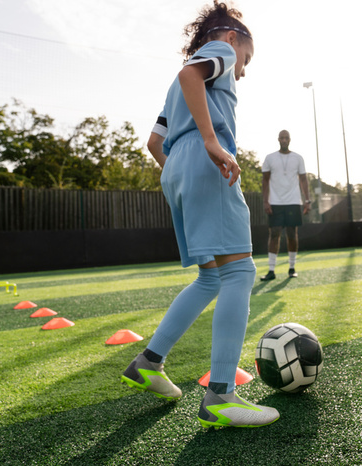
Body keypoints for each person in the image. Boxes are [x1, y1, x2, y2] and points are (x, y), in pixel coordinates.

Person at [121, 1, 279, 429]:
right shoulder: (221, 51)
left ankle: (148, 363)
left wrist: (183, 169)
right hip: (204, 165)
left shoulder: (176, 95)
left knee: (212, 276)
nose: (242, 70)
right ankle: (220, 396)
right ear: (233, 39)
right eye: (247, 60)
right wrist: (210, 143)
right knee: (241, 272)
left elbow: (155, 142)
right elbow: (191, 74)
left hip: (177, 170)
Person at [260, 130, 311, 280]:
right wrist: (265, 201)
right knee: (274, 234)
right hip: (275, 202)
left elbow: (303, 180)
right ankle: (271, 271)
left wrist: (307, 200)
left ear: (290, 140)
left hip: (293, 201)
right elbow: (265, 180)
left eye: (286, 138)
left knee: (292, 234)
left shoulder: (298, 158)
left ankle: (292, 268)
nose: (284, 140)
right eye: (281, 138)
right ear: (278, 139)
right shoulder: (270, 158)